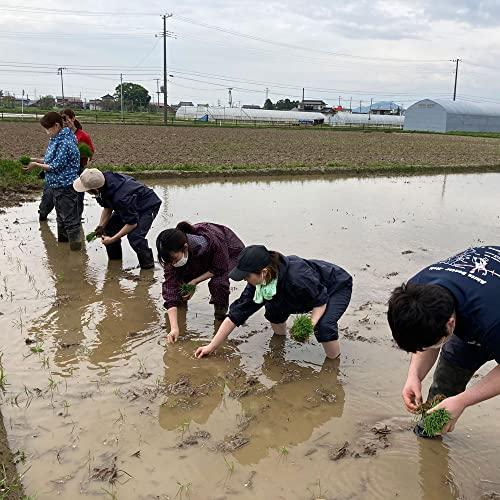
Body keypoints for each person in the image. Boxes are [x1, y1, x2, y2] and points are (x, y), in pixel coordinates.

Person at [387, 246, 500, 436]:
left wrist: (463, 400)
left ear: (451, 323)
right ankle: (430, 433)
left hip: (492, 314)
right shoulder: (417, 292)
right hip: (479, 298)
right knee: (447, 380)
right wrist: (414, 375)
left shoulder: (492, 321)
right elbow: (424, 336)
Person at [194, 245, 353, 359]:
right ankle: (280, 341)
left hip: (334, 286)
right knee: (273, 310)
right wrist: (211, 346)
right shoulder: (259, 283)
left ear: (263, 272)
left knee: (323, 326)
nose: (245, 280)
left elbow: (320, 301)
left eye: (247, 276)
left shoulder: (298, 277)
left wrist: (309, 325)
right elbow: (236, 314)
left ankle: (333, 363)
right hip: (300, 292)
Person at [157, 222, 244, 343]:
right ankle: (181, 308)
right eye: (169, 261)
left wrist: (195, 281)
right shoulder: (172, 257)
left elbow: (219, 268)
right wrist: (174, 328)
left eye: (174, 259)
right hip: (192, 257)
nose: (172, 263)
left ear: (185, 247)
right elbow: (170, 288)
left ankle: (220, 315)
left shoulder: (212, 243)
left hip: (225, 251)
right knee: (180, 283)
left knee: (219, 283)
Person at [73, 168, 161, 269]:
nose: (86, 192)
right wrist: (101, 226)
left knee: (135, 237)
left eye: (87, 190)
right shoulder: (101, 184)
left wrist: (112, 239)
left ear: (94, 189)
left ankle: (148, 267)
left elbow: (132, 223)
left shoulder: (120, 198)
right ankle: (115, 263)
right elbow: (108, 207)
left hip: (147, 206)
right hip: (129, 204)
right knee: (109, 229)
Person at [23, 111, 82, 250]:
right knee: (61, 218)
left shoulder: (65, 142)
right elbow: (51, 160)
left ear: (56, 126)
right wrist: (35, 160)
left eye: (48, 129)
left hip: (65, 185)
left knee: (70, 220)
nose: (47, 132)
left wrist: (36, 165)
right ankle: (63, 250)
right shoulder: (56, 139)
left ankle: (75, 256)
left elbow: (55, 166)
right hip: (55, 184)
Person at [38, 110, 95, 221]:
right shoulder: (57, 135)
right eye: (62, 118)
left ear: (73, 118)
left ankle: (76, 220)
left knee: (76, 198)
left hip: (76, 170)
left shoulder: (82, 135)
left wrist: (78, 153)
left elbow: (91, 152)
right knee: (48, 197)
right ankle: (43, 214)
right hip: (56, 173)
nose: (65, 121)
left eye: (67, 118)